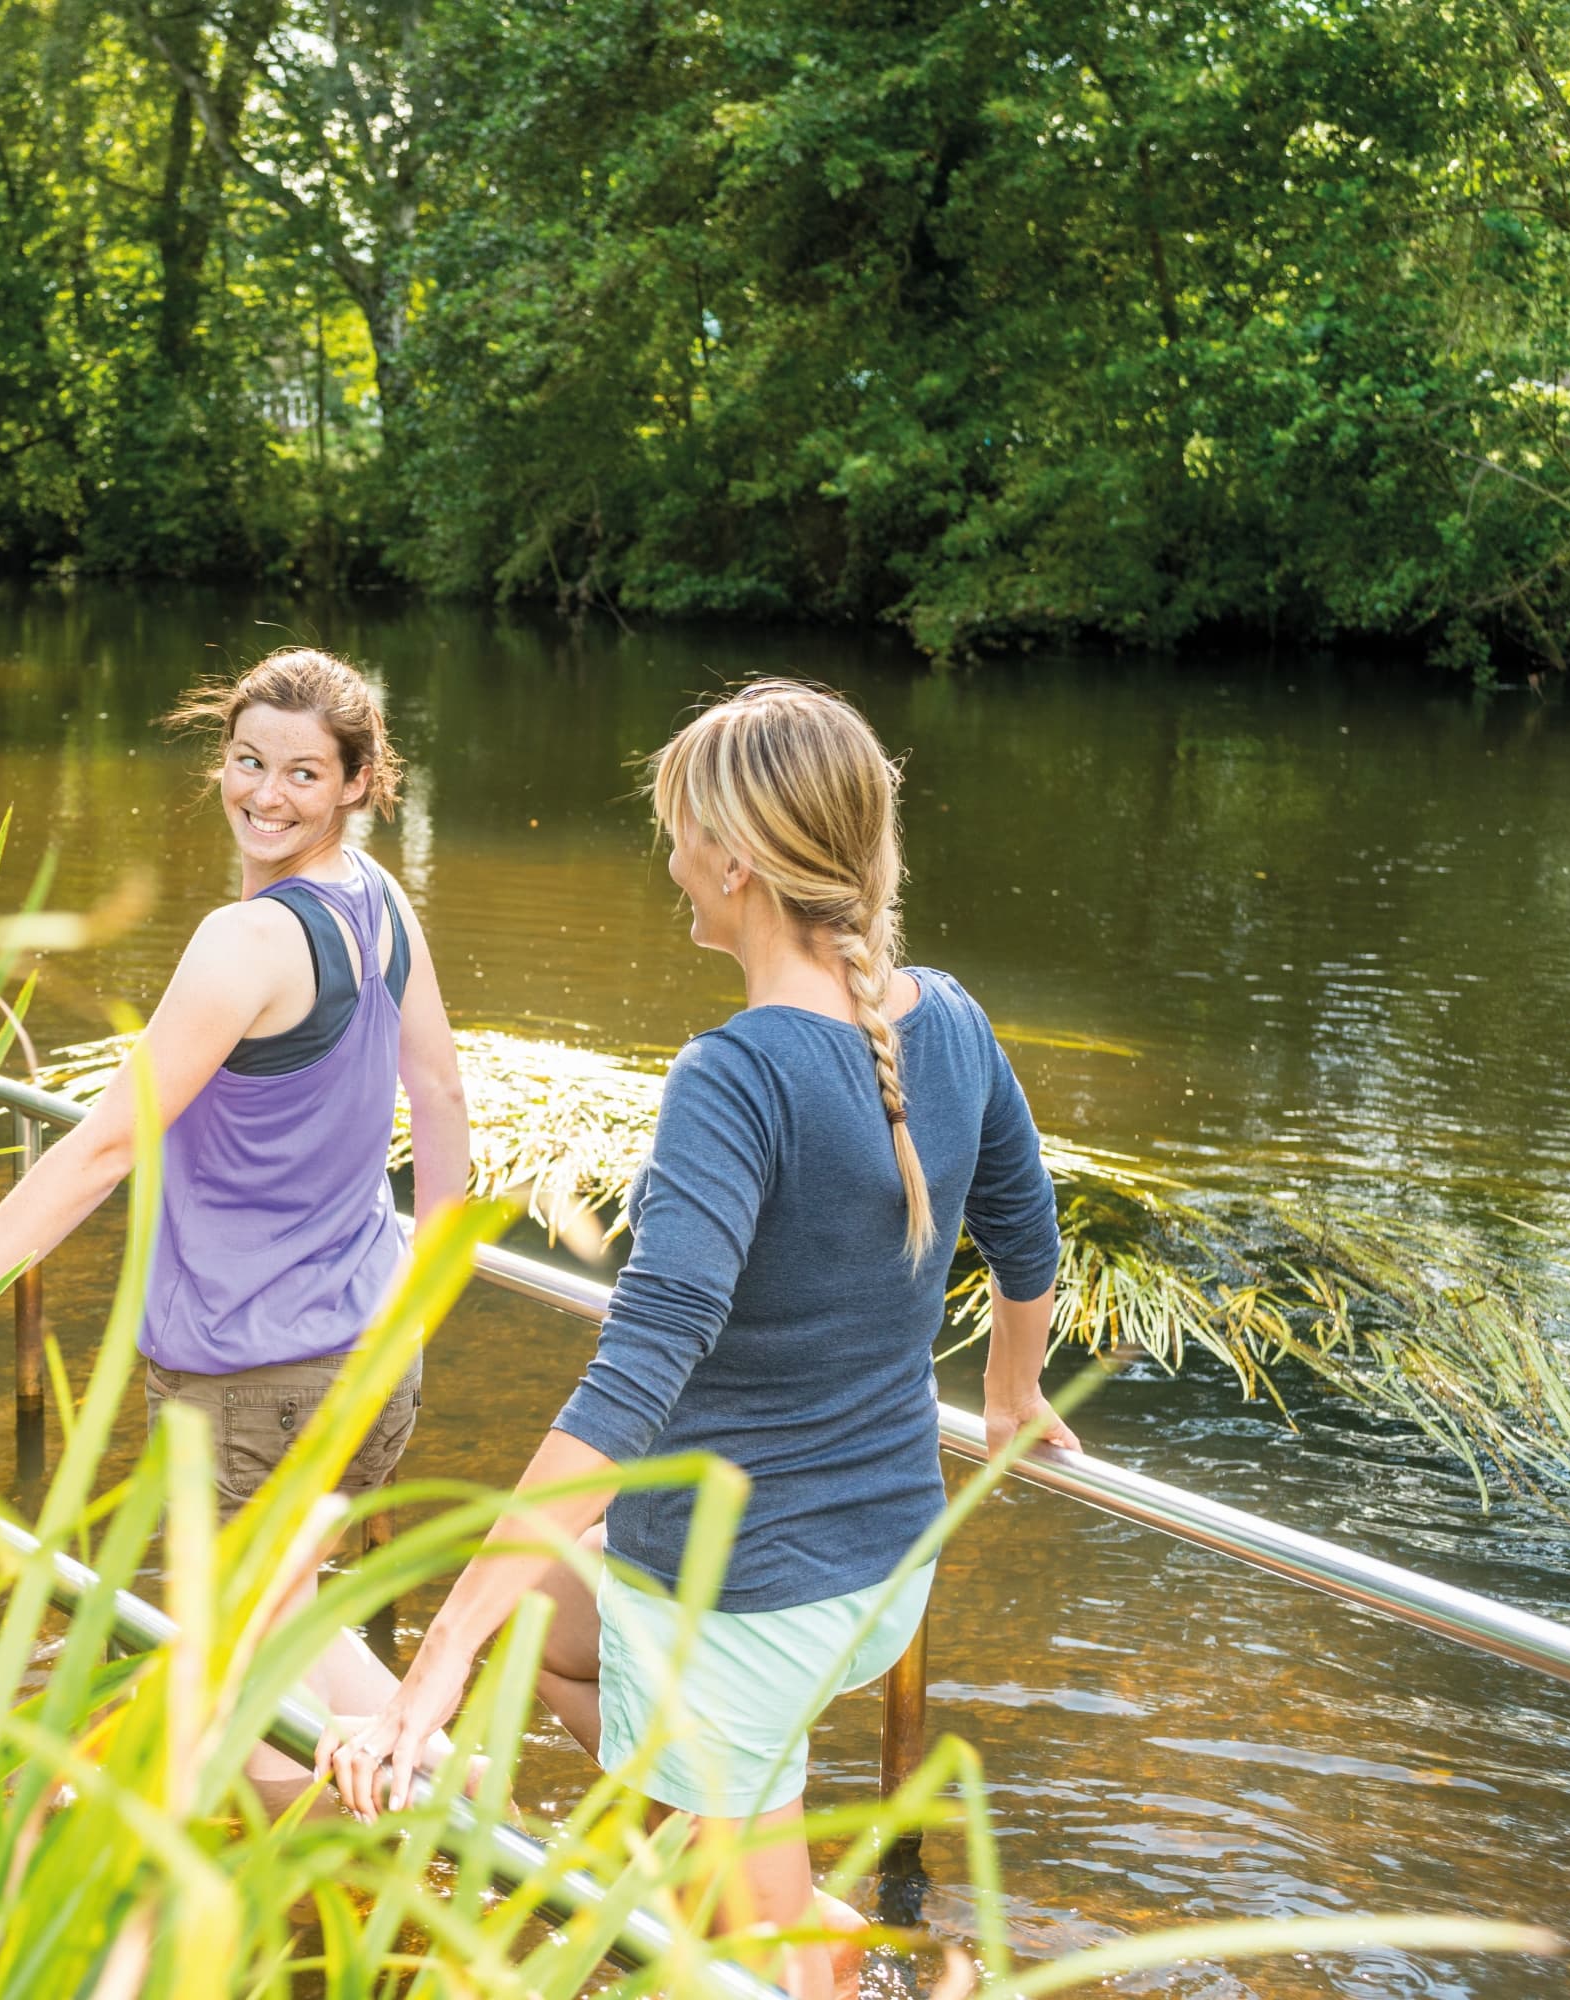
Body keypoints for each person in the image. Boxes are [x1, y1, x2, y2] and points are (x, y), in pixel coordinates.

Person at [322, 679, 1073, 2000]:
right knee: (545, 1616)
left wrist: (427, 1673)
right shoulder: (947, 1017)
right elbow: (1028, 1225)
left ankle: (797, 1927)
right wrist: (1011, 1390)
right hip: (883, 1561)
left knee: (761, 1964)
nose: (667, 856)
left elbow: (635, 1376)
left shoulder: (735, 1078)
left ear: (734, 862)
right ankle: (743, 1863)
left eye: (679, 831)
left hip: (743, 1603)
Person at [0, 646, 471, 1776]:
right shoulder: (380, 904)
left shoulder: (247, 940)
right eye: (248, 761)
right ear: (221, 757)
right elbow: (444, 1095)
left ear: (359, 782)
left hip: (258, 1381)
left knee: (249, 1715)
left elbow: (105, 1147)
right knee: (287, 1627)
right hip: (371, 1359)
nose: (266, 795)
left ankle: (320, 1874)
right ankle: (459, 1792)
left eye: (305, 774)